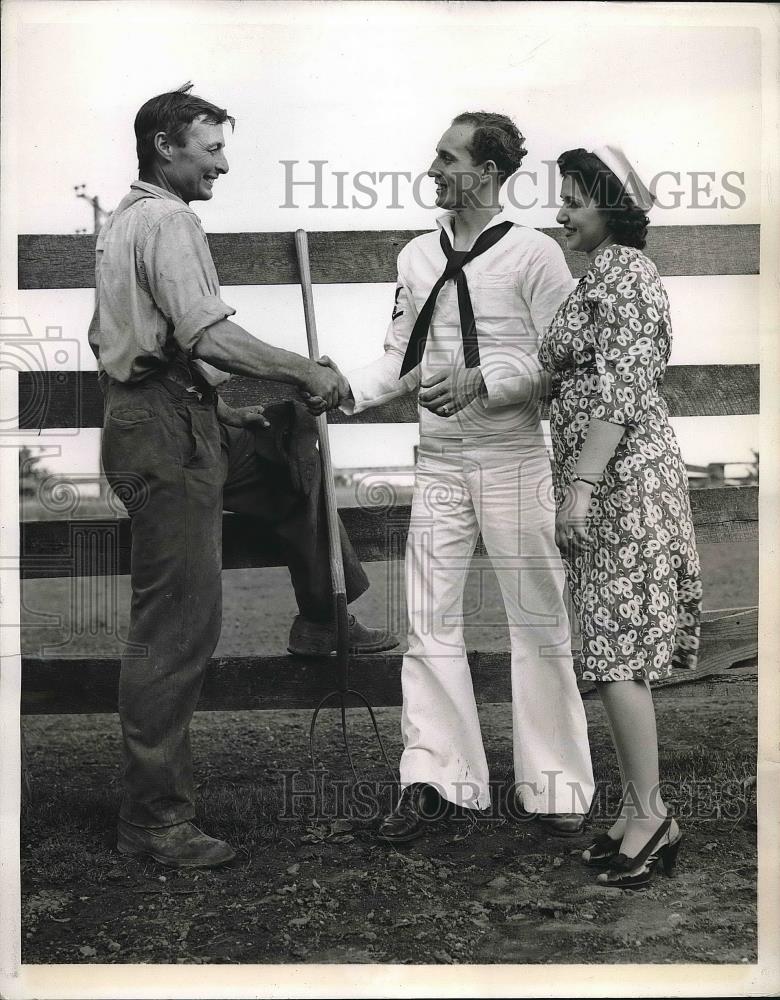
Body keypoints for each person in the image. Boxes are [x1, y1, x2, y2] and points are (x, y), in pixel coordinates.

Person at [89, 83, 396, 869]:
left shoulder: (127, 219)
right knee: (178, 625)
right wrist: (305, 371)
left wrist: (233, 414)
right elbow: (205, 333)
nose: (223, 164)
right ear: (166, 146)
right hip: (162, 436)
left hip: (183, 420)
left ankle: (323, 613)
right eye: (211, 148)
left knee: (293, 448)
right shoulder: (166, 219)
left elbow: (162, 342)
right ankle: (155, 818)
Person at [314, 112, 595, 842]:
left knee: (538, 617)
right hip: (438, 462)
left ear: (489, 172)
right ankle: (437, 778)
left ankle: (558, 785)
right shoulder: (416, 256)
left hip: (514, 460)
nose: (434, 169)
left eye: (448, 157)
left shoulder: (535, 256)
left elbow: (559, 363)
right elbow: (401, 356)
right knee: (429, 620)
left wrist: (486, 382)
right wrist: (345, 387)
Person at [537, 145, 701, 889]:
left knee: (618, 656)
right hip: (606, 483)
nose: (562, 212)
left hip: (623, 484)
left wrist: (580, 485)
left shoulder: (628, 273)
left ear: (613, 205)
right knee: (606, 650)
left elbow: (625, 388)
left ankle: (651, 816)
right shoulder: (598, 275)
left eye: (574, 198)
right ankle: (638, 809)